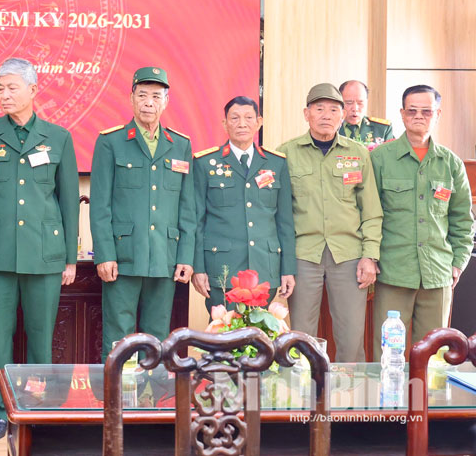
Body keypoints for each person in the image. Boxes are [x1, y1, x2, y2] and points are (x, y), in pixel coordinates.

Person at [0, 58, 79, 441]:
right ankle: (1, 410)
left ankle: (37, 408)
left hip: (44, 253)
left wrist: (70, 257)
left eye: (12, 87)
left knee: (40, 336)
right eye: (0, 88)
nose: (4, 94)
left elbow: (68, 201)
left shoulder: (58, 137)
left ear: (33, 89)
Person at [90, 66, 195, 360]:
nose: (149, 102)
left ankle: (151, 389)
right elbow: (100, 206)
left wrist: (185, 256)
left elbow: (187, 208)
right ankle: (117, 390)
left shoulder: (180, 145)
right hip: (123, 257)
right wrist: (105, 254)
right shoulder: (111, 142)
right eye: (143, 95)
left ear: (166, 101)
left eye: (156, 96)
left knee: (157, 336)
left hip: (164, 256)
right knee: (119, 336)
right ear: (131, 98)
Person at [278, 83, 382, 361]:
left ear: (343, 115)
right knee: (300, 337)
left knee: (351, 338)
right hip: (303, 255)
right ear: (306, 114)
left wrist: (370, 256)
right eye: (319, 109)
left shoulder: (358, 154)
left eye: (334, 109)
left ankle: (350, 389)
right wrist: (283, 262)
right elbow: (278, 214)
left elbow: (371, 211)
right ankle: (304, 388)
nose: (326, 115)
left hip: (349, 256)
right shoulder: (286, 154)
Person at [371, 85, 474, 352]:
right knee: (388, 352)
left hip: (438, 274)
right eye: (412, 111)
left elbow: (463, 220)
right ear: (402, 114)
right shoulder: (380, 159)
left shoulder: (451, 163)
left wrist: (458, 263)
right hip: (393, 272)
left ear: (437, 114)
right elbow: (369, 214)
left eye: (426, 111)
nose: (419, 116)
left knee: (433, 354)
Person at [191, 97, 295, 308]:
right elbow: (196, 221)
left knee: (261, 327)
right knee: (224, 327)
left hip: (265, 267)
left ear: (259, 122)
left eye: (248, 118)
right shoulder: (205, 163)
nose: (242, 124)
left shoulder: (276, 163)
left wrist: (288, 269)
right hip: (222, 268)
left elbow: (285, 221)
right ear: (224, 124)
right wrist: (198, 268)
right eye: (235, 118)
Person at [338, 80, 394, 147]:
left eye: (360, 103)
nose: (355, 108)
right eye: (349, 103)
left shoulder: (382, 129)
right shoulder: (331, 127)